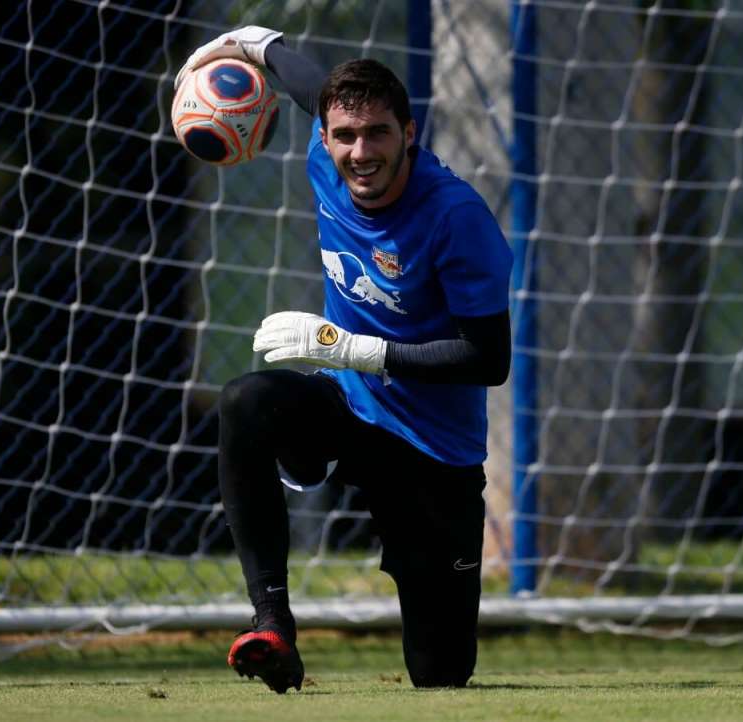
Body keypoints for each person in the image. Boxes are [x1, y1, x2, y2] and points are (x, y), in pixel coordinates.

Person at [175, 27, 513, 693]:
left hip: (434, 455)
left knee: (441, 674)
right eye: (345, 136)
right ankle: (272, 623)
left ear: (408, 134)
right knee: (247, 401)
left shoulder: (455, 217)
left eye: (379, 135)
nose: (361, 152)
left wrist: (351, 349)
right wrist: (250, 42)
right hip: (349, 416)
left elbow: (488, 358)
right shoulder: (327, 156)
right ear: (326, 139)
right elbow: (308, 86)